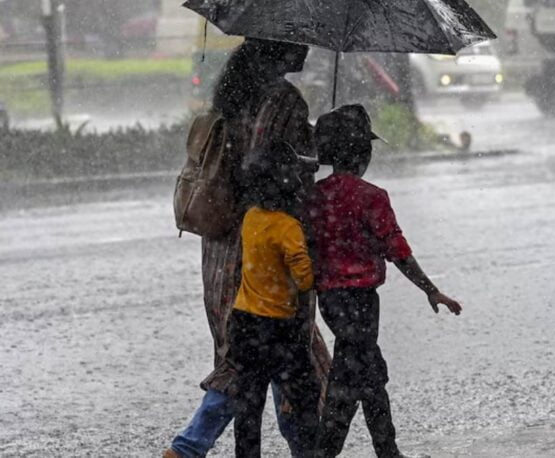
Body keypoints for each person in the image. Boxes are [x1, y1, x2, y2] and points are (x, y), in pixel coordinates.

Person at [164, 38, 330, 458]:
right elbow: (275, 169)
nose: (307, 49)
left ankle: (199, 447)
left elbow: (247, 163)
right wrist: (315, 150)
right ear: (278, 49)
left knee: (245, 350)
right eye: (298, 42)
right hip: (266, 244)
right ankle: (191, 447)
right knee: (288, 351)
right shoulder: (284, 100)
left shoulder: (231, 96)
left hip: (222, 246)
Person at [307, 105, 463, 458]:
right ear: (363, 153)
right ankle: (350, 451)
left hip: (330, 301)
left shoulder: (313, 197)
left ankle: (380, 451)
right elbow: (397, 250)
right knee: (357, 373)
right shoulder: (371, 197)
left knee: (361, 369)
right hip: (362, 300)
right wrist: (430, 289)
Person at [227, 142, 321, 458]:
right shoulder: (288, 228)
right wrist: (312, 253)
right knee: (305, 395)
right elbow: (305, 280)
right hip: (280, 329)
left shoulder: (251, 218)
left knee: (249, 406)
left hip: (243, 324)